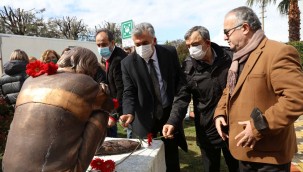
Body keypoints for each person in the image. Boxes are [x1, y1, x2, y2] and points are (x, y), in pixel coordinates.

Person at [214, 6, 303, 172]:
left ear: (245, 28)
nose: (225, 37)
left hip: (270, 156)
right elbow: (230, 90)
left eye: (227, 31)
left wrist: (257, 127)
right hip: (243, 151)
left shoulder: (278, 52)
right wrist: (220, 113)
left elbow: (296, 98)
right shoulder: (238, 59)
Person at [2, 47, 113, 171]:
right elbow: (108, 105)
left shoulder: (30, 80)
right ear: (89, 66)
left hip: (9, 167)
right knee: (101, 113)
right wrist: (104, 91)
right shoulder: (86, 82)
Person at [162, 26, 239, 172]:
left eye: (195, 45)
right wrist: (172, 121)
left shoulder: (230, 57)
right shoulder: (187, 68)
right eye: (188, 46)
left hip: (233, 124)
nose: (191, 49)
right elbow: (182, 98)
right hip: (207, 127)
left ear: (208, 43)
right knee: (211, 167)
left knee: (237, 166)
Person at [120, 22, 187, 172]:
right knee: (146, 158)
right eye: (137, 44)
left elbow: (180, 85)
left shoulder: (169, 53)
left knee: (171, 157)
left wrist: (174, 118)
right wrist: (128, 111)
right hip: (144, 117)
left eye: (145, 43)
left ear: (154, 41)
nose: (141, 47)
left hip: (168, 115)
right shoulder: (127, 63)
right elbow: (129, 91)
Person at [95, 28, 127, 137]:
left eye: (103, 44)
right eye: (98, 45)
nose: (100, 48)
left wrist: (114, 115)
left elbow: (121, 89)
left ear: (112, 43)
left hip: (127, 108)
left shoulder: (118, 59)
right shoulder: (109, 57)